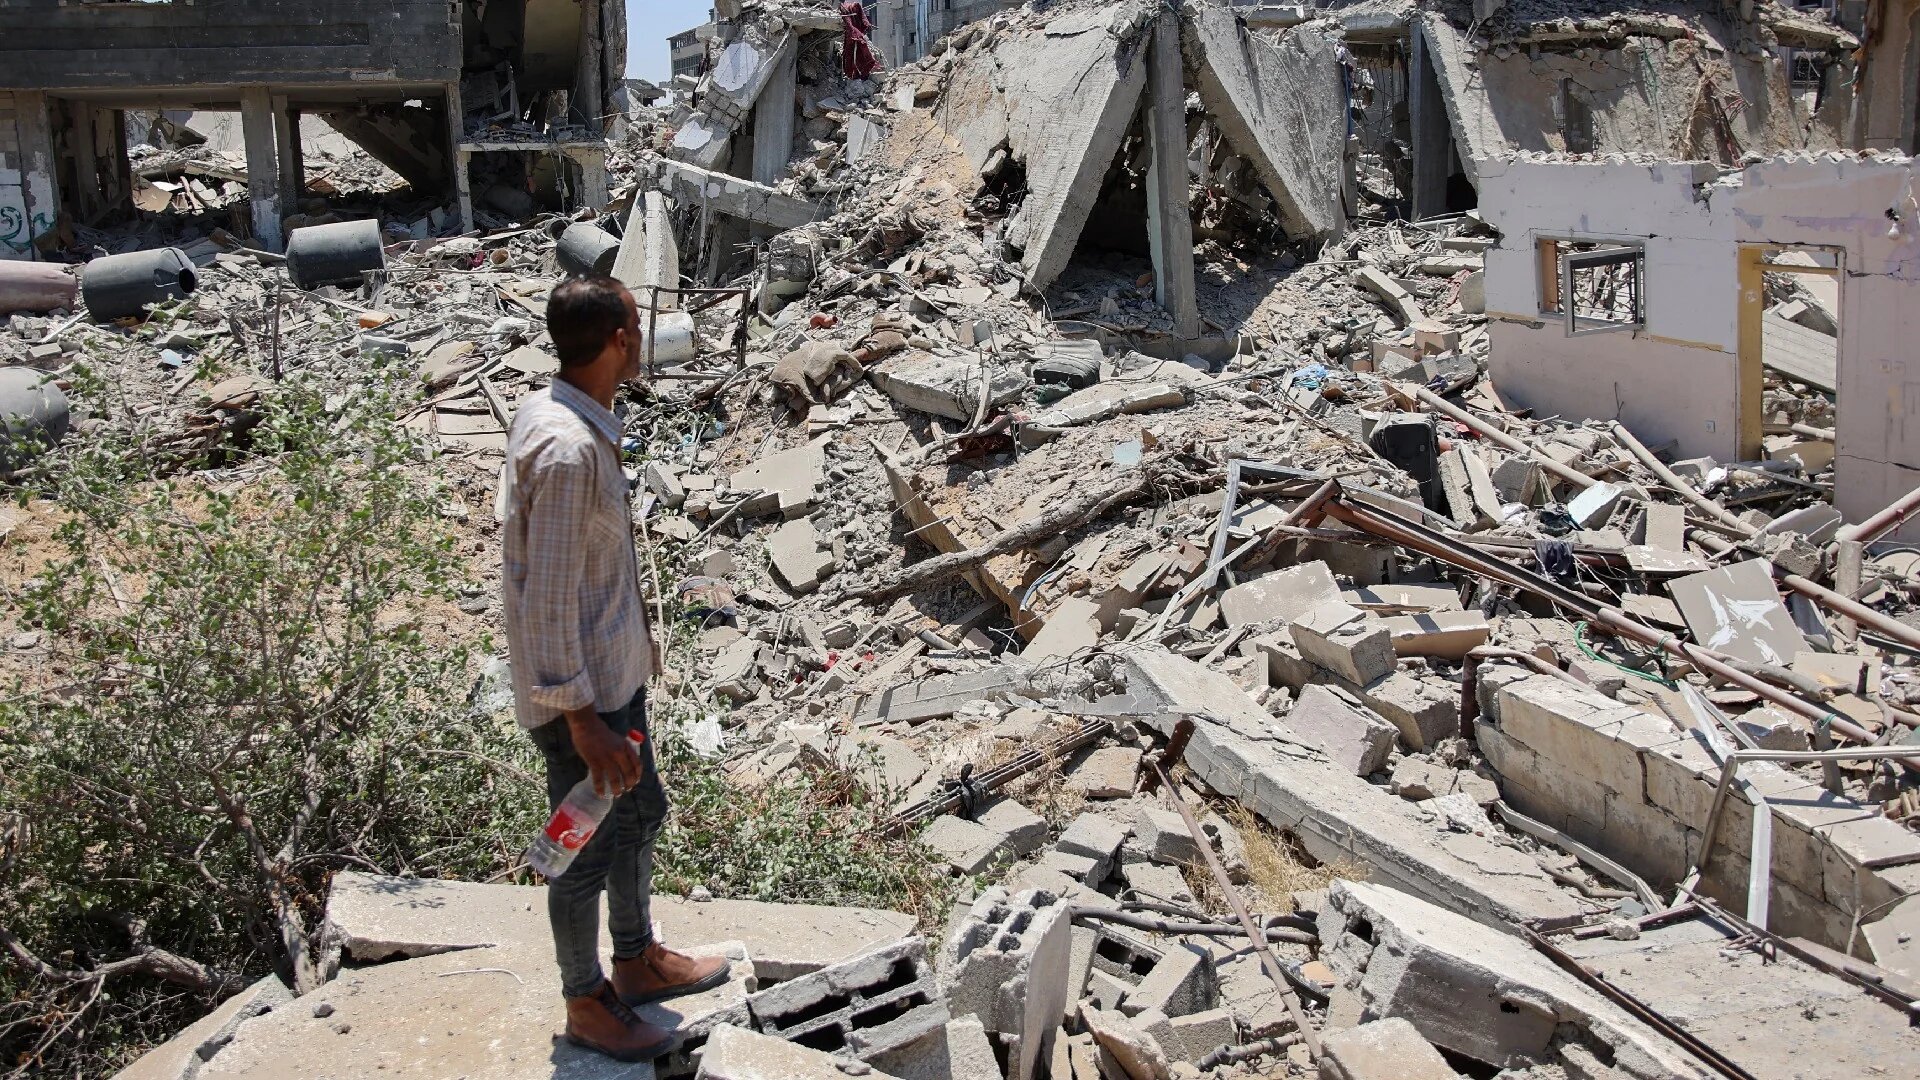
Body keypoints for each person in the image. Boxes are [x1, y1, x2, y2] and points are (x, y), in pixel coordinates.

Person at [501, 276, 728, 1061]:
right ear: (622, 341)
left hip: (609, 680)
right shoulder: (567, 449)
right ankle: (584, 999)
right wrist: (583, 722)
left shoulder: (566, 413)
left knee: (639, 814)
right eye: (638, 322)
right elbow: (546, 596)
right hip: (585, 702)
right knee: (576, 847)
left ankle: (635, 960)